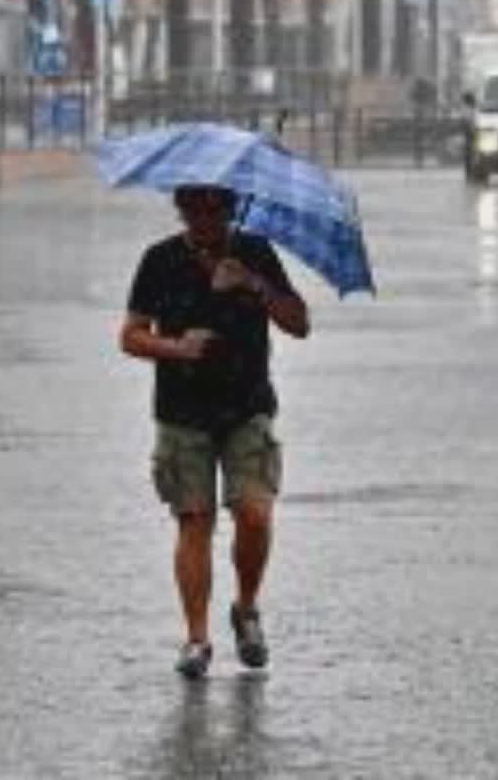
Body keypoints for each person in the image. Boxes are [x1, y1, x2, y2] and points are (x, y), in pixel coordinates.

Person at [120, 184, 310, 679]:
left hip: (247, 407)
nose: (202, 218)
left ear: (230, 209)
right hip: (182, 412)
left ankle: (246, 609)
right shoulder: (159, 260)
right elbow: (131, 335)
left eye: (213, 208)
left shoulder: (254, 251)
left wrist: (253, 284)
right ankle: (197, 638)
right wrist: (178, 348)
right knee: (194, 521)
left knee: (254, 514)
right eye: (191, 208)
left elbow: (299, 322)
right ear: (180, 210)